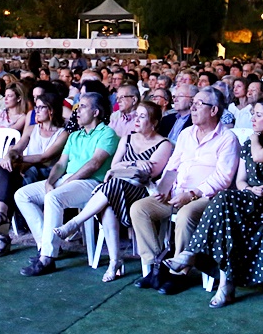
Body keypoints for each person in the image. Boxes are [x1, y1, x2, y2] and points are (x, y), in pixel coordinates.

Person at [161, 96, 263, 307]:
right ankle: (224, 285)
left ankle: (193, 254)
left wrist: (255, 137)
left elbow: (260, 156)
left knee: (225, 198)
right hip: (249, 199)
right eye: (252, 114)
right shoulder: (248, 144)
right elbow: (241, 181)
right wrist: (250, 189)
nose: (252, 118)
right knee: (226, 211)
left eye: (258, 114)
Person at [130, 87, 239, 295]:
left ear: (214, 110)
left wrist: (192, 194)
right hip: (176, 193)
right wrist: (164, 187)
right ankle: (156, 267)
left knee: (186, 214)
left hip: (207, 197)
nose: (193, 107)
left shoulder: (227, 138)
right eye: (194, 103)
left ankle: (180, 273)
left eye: (199, 104)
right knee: (140, 209)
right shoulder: (186, 133)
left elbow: (224, 178)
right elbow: (172, 165)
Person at [54, 100, 174, 282]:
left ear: (154, 122)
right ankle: (114, 261)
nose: (137, 119)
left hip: (140, 193)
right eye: (137, 115)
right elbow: (114, 166)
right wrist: (133, 164)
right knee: (108, 204)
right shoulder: (127, 139)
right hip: (117, 189)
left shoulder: (164, 144)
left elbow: (148, 173)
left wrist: (125, 168)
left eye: (143, 116)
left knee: (111, 186)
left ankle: (75, 222)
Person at [14, 92, 119, 276]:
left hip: (91, 183)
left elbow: (94, 164)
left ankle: (47, 258)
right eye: (77, 106)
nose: (77, 111)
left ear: (96, 112)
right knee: (22, 195)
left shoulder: (107, 133)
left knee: (54, 197)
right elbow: (61, 164)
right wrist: (50, 181)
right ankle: (44, 246)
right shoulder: (75, 135)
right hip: (68, 179)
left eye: (83, 106)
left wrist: (67, 182)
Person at [0, 91, 70, 257]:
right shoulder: (31, 129)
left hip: (49, 174)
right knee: (5, 169)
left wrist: (19, 159)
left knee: (20, 176)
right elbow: (18, 146)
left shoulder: (63, 133)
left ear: (51, 110)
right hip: (28, 170)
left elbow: (46, 156)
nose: (36, 111)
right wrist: (9, 155)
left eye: (40, 108)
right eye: (36, 107)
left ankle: (3, 237)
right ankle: (1, 217)